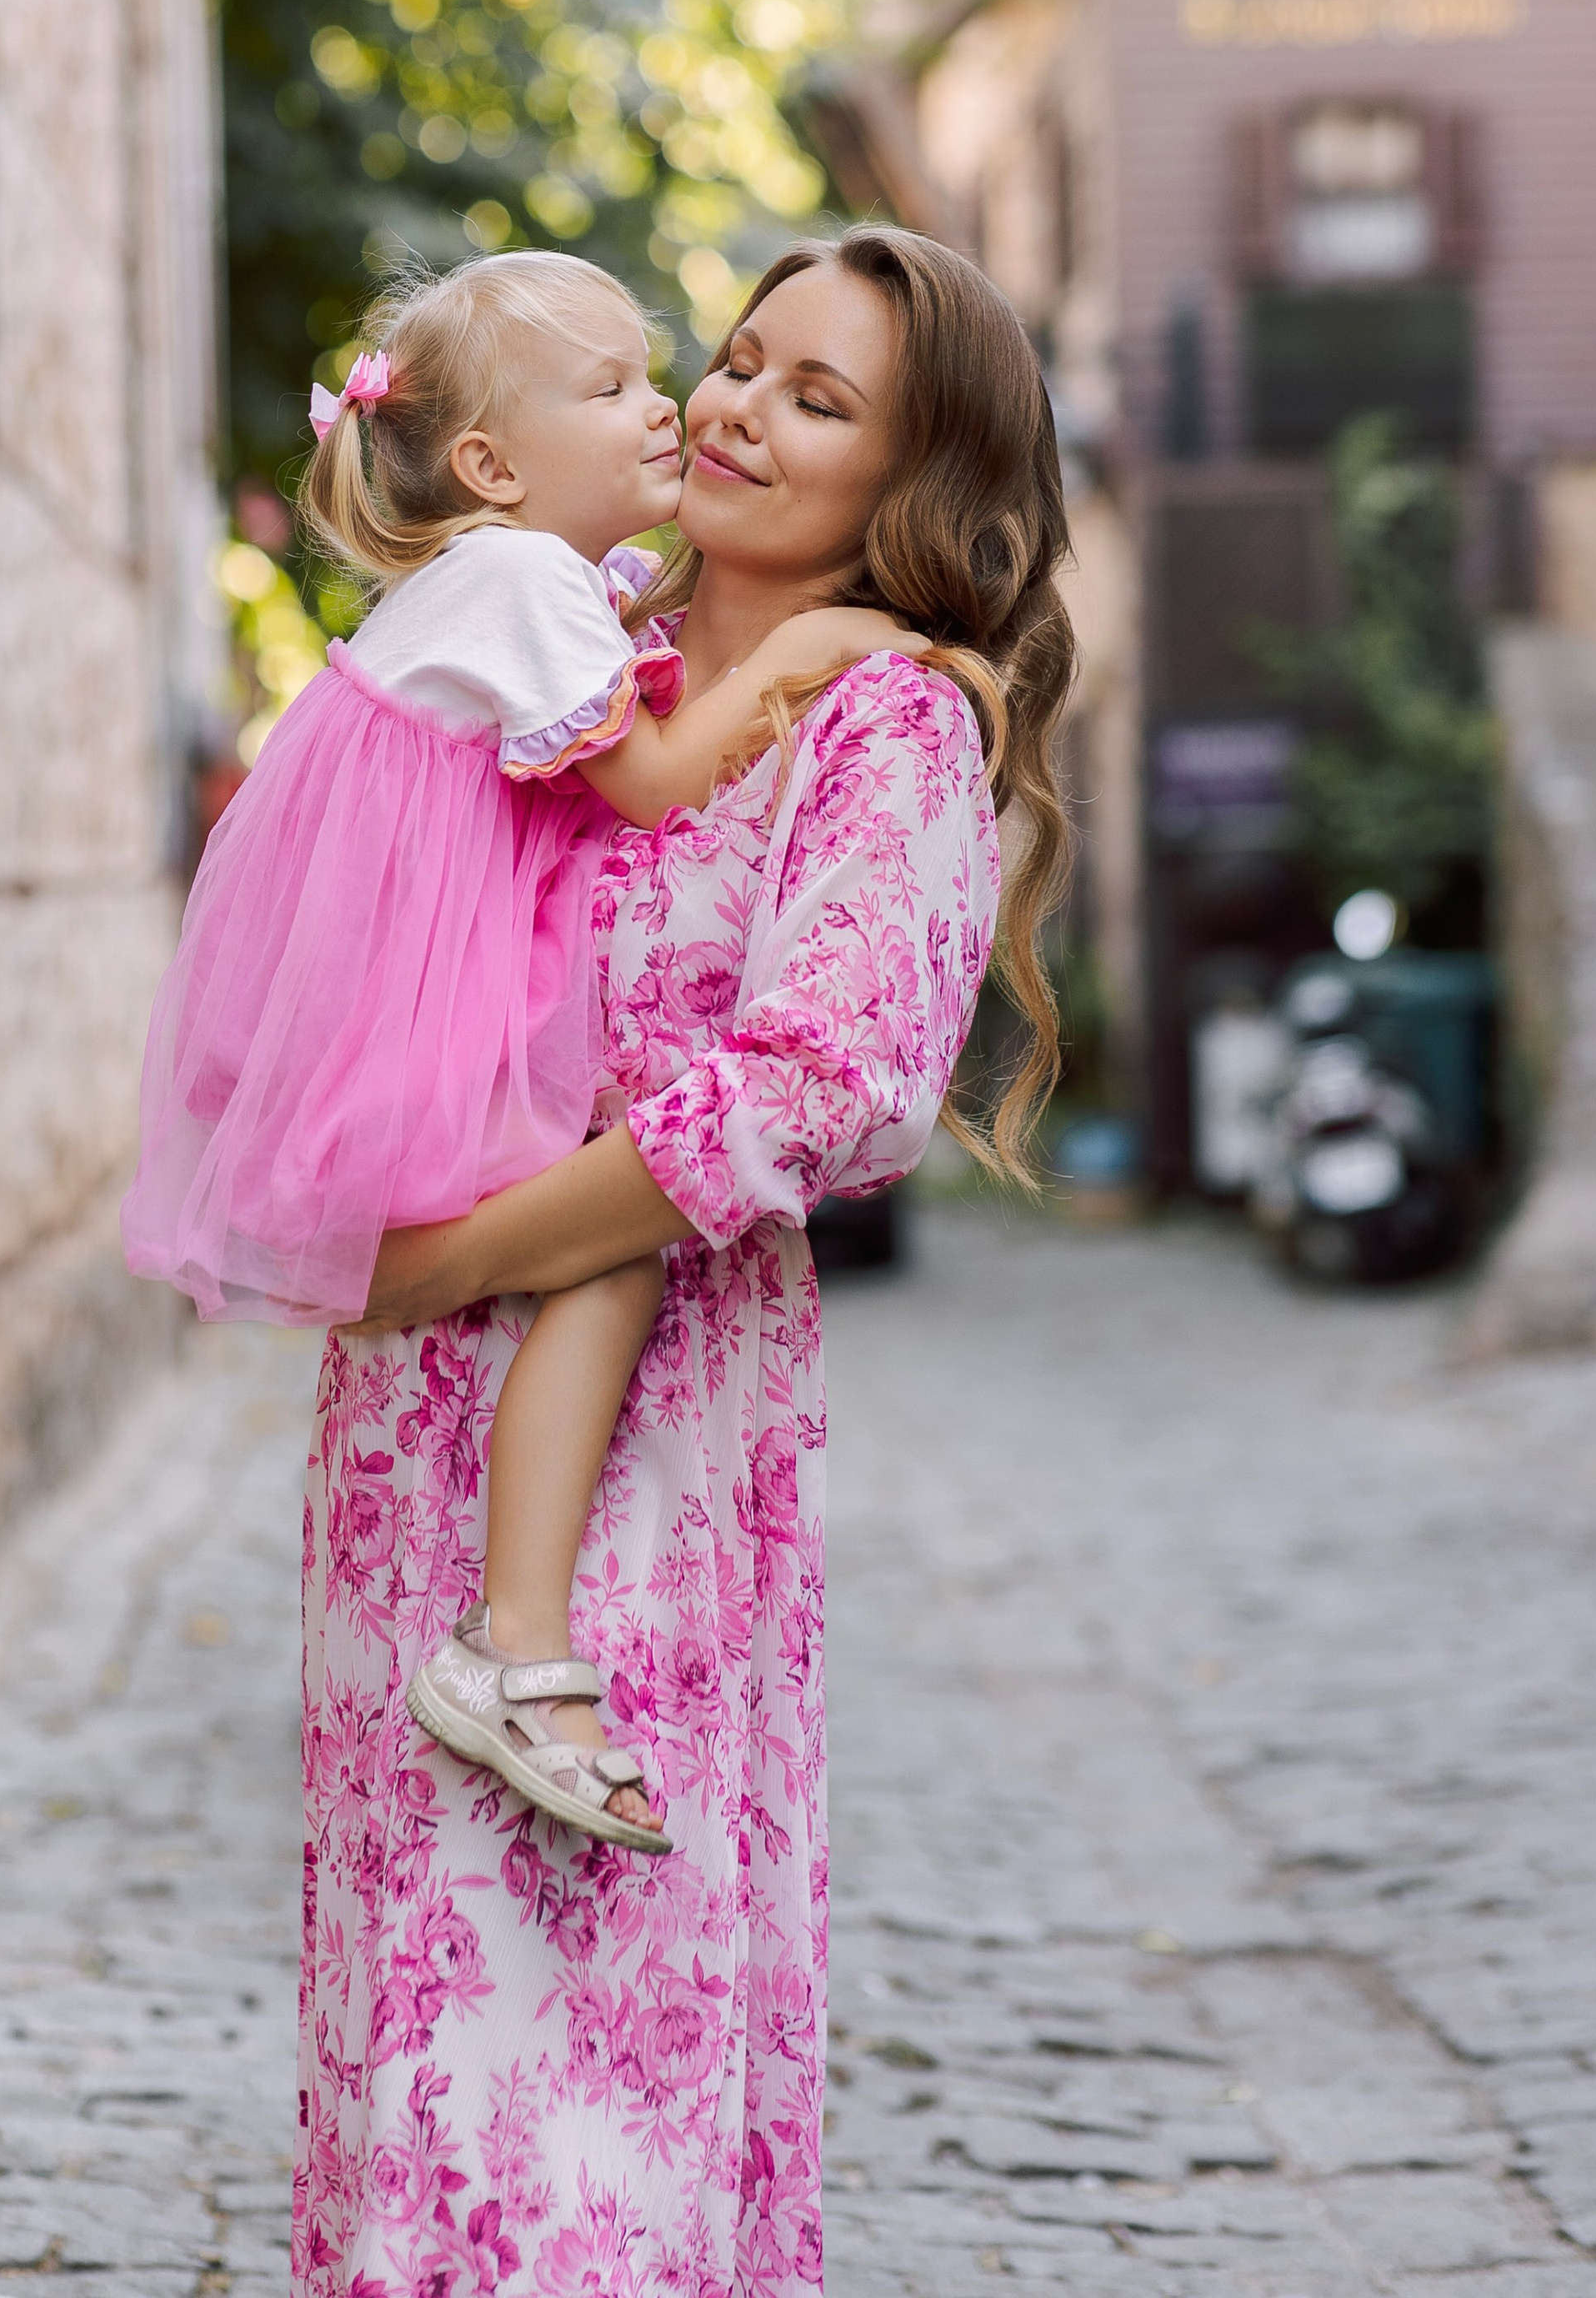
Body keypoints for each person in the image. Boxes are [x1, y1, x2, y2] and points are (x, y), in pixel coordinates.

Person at [297, 228, 1076, 2297]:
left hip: (636, 1463)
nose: (732, 406)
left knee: (568, 2047)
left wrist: (445, 1253)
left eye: (816, 398)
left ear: (909, 485)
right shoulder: (572, 638)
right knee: (412, 2017)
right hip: (413, 1444)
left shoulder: (882, 725)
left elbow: (817, 1089)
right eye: (736, 361)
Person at [123, 250, 906, 1852]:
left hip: (408, 971)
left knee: (584, 1247)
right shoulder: (531, 586)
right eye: (614, 387)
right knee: (604, 1256)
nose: (669, 407)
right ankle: (519, 1641)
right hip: (415, 997)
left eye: (649, 370)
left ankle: (512, 1632)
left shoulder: (530, 584)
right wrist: (792, 669)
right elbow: (653, 780)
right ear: (489, 464)